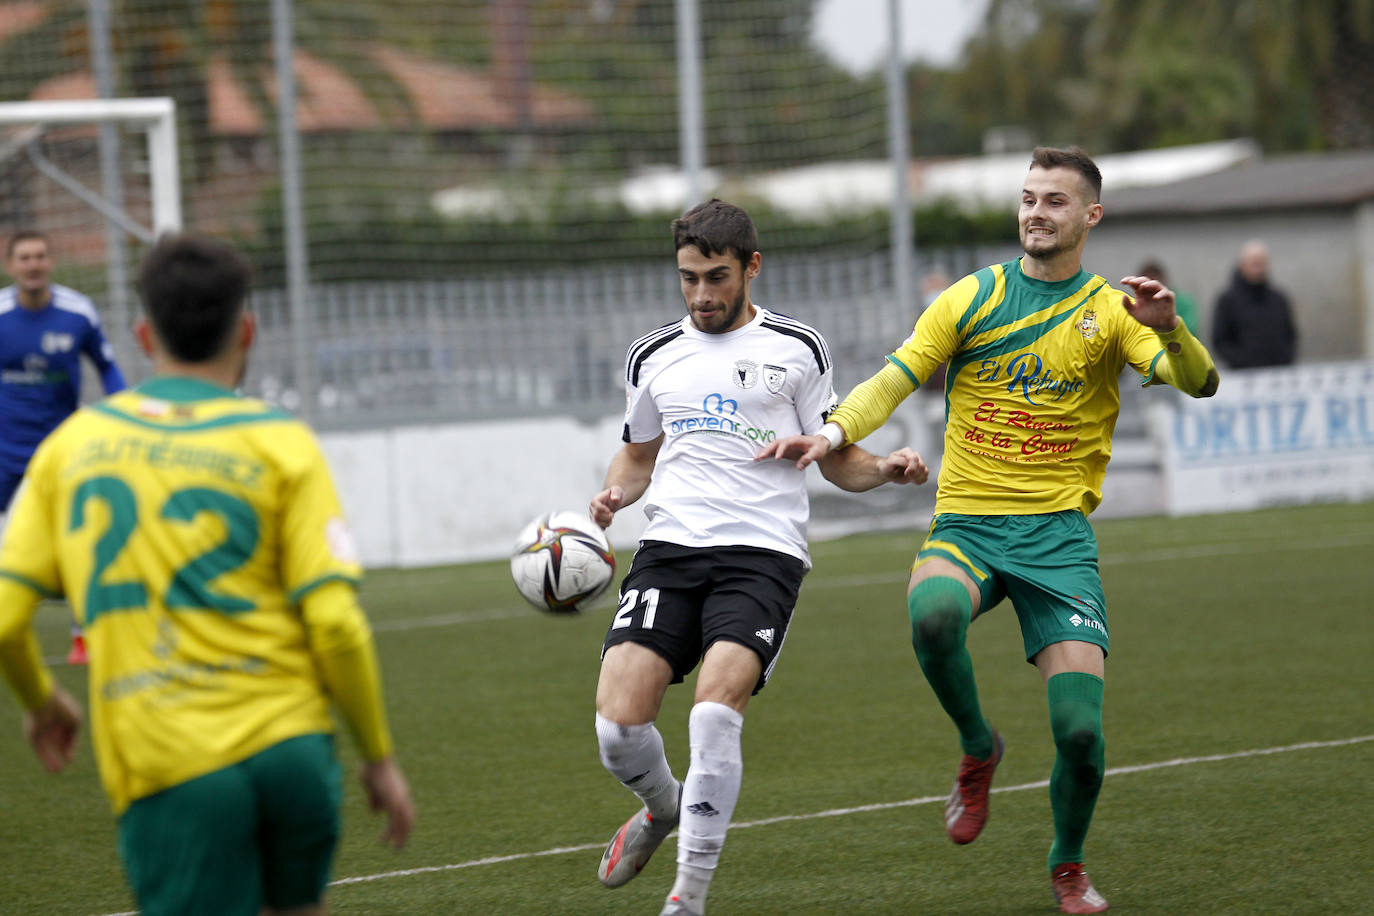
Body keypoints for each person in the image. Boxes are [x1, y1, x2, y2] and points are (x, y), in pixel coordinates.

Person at [757, 147, 1219, 914]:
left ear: (1090, 217)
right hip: (969, 523)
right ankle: (979, 746)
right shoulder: (971, 298)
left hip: (1059, 542)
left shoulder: (1112, 312)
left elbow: (1198, 381)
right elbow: (895, 378)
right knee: (930, 613)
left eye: (1056, 202)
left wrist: (1170, 332)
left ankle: (1067, 865)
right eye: (1029, 197)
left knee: (1078, 735)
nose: (1036, 212)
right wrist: (833, 435)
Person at [0, 233, 415, 915]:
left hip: (172, 759)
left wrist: (43, 702)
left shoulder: (69, 450)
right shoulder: (283, 442)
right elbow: (336, 625)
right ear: (246, 330)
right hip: (293, 753)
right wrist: (376, 755)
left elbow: (7, 621)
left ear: (142, 334)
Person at [589, 199, 930, 916]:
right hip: (669, 550)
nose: (702, 295)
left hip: (761, 556)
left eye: (716, 277)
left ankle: (688, 899)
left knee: (714, 714)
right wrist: (613, 497)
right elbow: (637, 455)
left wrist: (884, 471)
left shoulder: (797, 349)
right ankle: (664, 808)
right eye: (688, 279)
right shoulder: (652, 356)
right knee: (618, 730)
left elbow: (832, 456)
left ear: (752, 267)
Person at [1, 230, 128, 665]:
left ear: (50, 262)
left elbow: (108, 368)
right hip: (4, 452)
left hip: (62, 449)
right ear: (10, 265)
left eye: (39, 256)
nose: (32, 264)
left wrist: (119, 414)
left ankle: (82, 639)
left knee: (80, 537)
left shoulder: (77, 313)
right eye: (24, 257)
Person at [1210, 239, 1298, 368]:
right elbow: (1220, 341)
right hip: (1242, 376)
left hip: (1278, 371)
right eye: (1254, 264)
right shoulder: (1227, 300)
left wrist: (1285, 358)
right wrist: (1243, 361)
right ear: (1242, 265)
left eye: (1261, 263)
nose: (1258, 269)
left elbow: (1290, 335)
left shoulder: (1279, 299)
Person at [1137, 259, 1198, 334]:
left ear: (1163, 281)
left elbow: (1190, 331)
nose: (1150, 290)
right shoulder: (1136, 307)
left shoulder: (1184, 302)